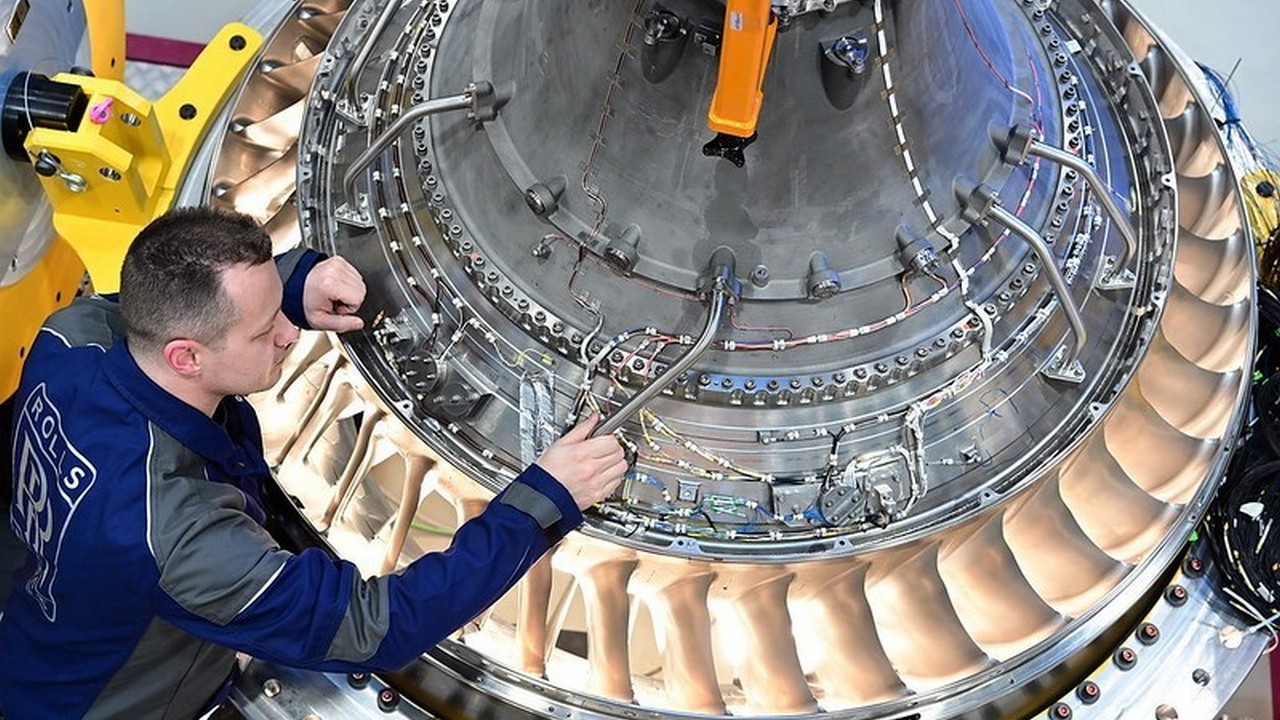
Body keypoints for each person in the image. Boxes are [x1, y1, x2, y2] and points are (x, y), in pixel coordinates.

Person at [0, 207, 627, 720]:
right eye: (264, 330)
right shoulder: (177, 535)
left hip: (39, 629)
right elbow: (379, 626)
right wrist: (543, 501)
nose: (290, 334)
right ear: (187, 358)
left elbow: (157, 310)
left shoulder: (71, 335)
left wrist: (293, 285)